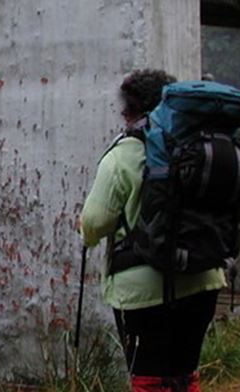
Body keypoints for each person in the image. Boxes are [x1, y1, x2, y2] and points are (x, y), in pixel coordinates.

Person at [79, 69, 226, 392]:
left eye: (125, 106)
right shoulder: (197, 145)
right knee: (185, 374)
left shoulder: (122, 156)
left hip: (144, 290)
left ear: (131, 110)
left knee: (148, 379)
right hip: (203, 278)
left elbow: (94, 222)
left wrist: (87, 236)